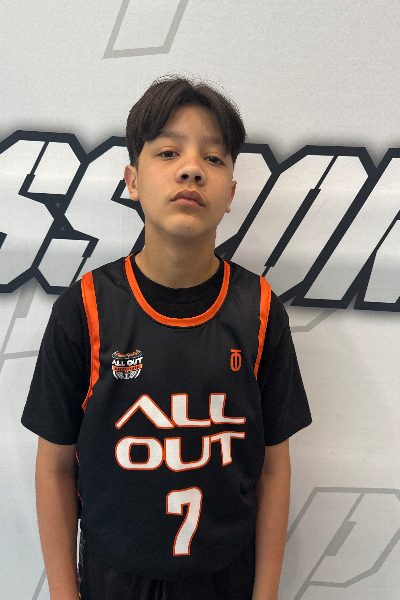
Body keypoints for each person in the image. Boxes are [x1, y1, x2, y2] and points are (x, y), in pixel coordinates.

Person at [21, 76, 312, 600]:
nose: (191, 168)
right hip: (114, 580)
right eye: (168, 151)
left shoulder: (260, 309)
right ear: (132, 180)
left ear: (230, 194)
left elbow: (274, 467)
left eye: (214, 158)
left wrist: (266, 592)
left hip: (226, 579)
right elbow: (55, 467)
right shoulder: (84, 309)